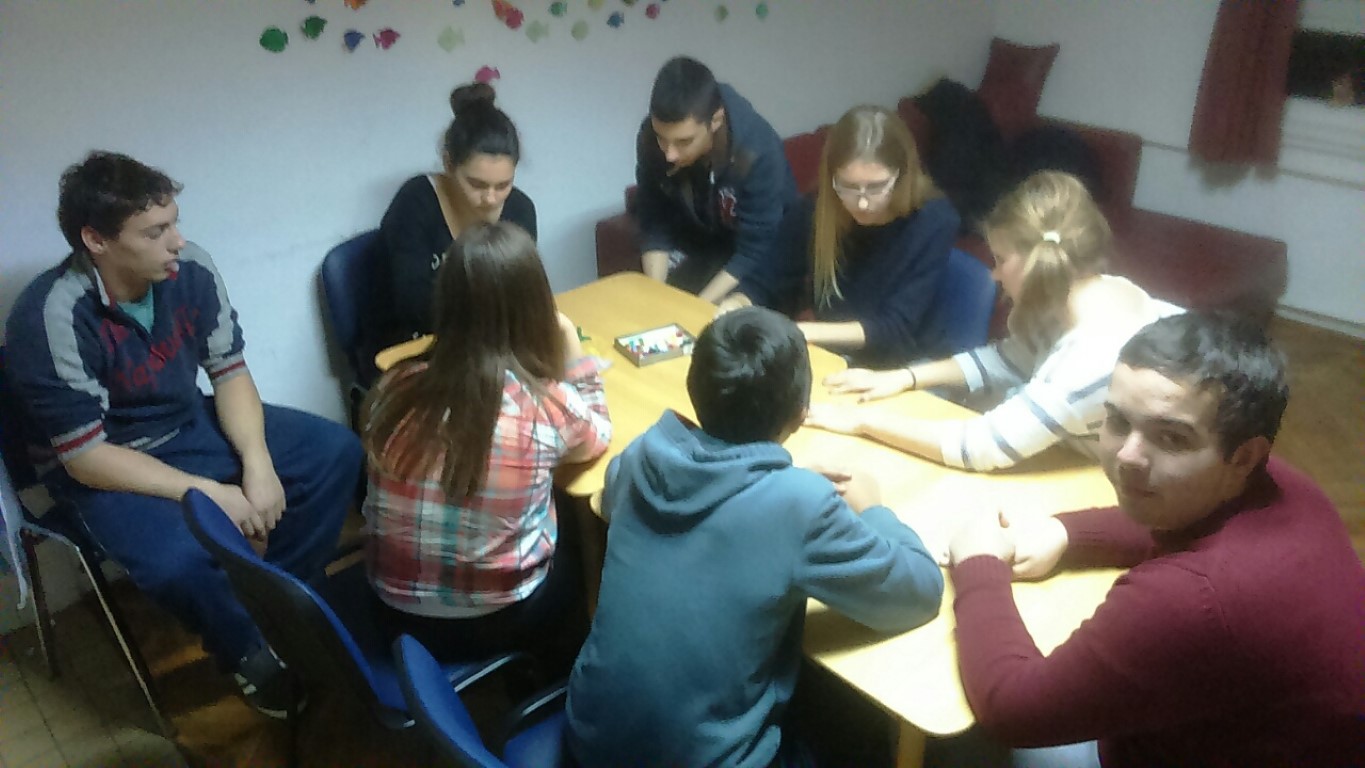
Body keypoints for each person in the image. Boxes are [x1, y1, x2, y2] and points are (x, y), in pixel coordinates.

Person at [3, 152, 363, 718]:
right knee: (176, 561)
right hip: (106, 463)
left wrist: (257, 464)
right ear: (96, 240)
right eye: (154, 232)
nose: (176, 241)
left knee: (334, 453)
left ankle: (284, 599)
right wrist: (209, 492)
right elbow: (85, 457)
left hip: (186, 423)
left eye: (173, 222)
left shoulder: (190, 267)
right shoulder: (49, 316)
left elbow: (229, 371)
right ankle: (246, 650)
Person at [942, 312, 1365, 768]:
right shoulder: (1280, 485)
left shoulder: (1192, 599)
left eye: (1172, 438)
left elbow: (1012, 711)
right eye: (1118, 420)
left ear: (1244, 456)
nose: (1128, 457)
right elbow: (1172, 514)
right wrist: (1066, 532)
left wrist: (978, 562)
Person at [565, 306, 944, 768]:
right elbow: (920, 592)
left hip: (588, 739)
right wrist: (874, 508)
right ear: (801, 415)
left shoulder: (646, 451)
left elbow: (610, 499)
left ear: (694, 386)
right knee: (852, 730)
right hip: (703, 760)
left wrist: (770, 484)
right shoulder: (801, 505)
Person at [807, 171, 1180, 471]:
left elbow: (980, 448)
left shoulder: (1091, 358)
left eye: (1001, 260)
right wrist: (904, 377)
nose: (994, 274)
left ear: (1038, 263)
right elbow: (1009, 359)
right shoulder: (1099, 291)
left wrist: (863, 421)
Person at [361, 222, 611, 666]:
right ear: (537, 306)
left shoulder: (396, 383)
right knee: (580, 534)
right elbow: (597, 436)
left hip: (390, 609)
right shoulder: (546, 405)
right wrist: (573, 350)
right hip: (490, 622)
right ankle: (561, 668)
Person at [718, 105, 960, 368]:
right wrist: (737, 304)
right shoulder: (816, 210)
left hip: (908, 365)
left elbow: (894, 328)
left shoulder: (934, 220)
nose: (863, 203)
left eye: (877, 187)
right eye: (848, 186)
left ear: (902, 176)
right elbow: (766, 281)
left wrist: (798, 332)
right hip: (838, 357)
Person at [379, 82, 537, 350]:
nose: (491, 198)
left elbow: (525, 292)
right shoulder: (416, 203)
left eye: (503, 185)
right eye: (476, 184)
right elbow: (413, 307)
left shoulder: (520, 209)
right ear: (448, 164)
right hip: (420, 343)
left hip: (493, 341)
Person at [635, 56, 799, 303]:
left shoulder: (757, 151)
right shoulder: (651, 138)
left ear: (716, 120)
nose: (669, 154)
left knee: (723, 319)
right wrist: (656, 296)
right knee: (649, 306)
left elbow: (754, 249)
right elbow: (655, 220)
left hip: (767, 258)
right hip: (705, 246)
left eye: (684, 141)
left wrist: (698, 307)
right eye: (662, 138)